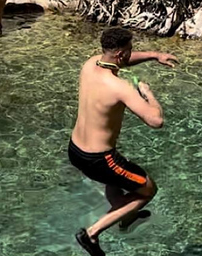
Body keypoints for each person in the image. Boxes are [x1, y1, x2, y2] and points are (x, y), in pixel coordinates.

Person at [69, 27, 178, 256]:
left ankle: (126, 216)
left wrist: (154, 55)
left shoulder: (90, 64)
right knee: (148, 189)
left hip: (76, 150)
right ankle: (91, 234)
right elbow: (155, 121)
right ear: (120, 54)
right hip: (100, 159)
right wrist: (147, 94)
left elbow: (124, 61)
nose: (131, 54)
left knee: (117, 181)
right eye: (130, 51)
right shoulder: (120, 87)